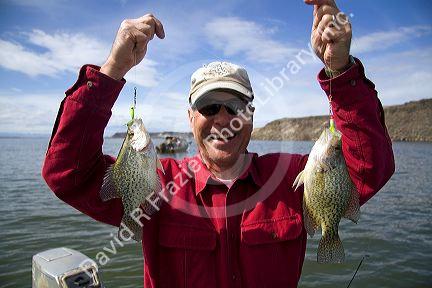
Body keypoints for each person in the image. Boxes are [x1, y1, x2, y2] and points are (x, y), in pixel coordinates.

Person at [42, 0, 395, 287]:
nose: (223, 118)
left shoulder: (291, 178)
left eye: (236, 106)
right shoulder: (155, 183)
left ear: (251, 115)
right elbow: (67, 175)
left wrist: (340, 72)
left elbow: (370, 169)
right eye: (209, 107)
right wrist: (112, 70)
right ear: (190, 117)